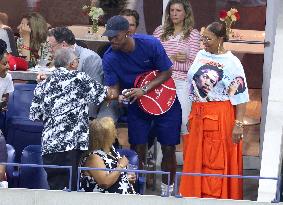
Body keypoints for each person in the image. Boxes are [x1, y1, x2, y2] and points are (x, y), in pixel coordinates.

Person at [102, 15, 182, 195]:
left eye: (115, 36)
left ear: (128, 32)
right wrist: (117, 96)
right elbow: (113, 90)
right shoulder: (109, 57)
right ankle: (137, 190)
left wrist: (144, 89)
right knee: (138, 147)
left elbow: (167, 71)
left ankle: (167, 191)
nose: (111, 40)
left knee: (169, 147)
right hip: (137, 105)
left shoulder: (150, 43)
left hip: (164, 101)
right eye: (109, 36)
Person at [179, 21, 249, 199]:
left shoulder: (232, 62)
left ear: (220, 39)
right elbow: (192, 85)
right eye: (203, 38)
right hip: (197, 114)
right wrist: (191, 113)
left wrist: (238, 124)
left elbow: (240, 96)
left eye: (208, 39)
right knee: (195, 159)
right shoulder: (201, 54)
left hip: (219, 116)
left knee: (214, 161)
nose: (204, 42)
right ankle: (194, 198)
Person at [29, 48, 110, 190]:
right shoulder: (79, 78)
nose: (78, 63)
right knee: (70, 190)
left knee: (56, 188)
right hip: (72, 144)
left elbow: (36, 115)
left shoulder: (42, 85)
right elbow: (102, 95)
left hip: (50, 145)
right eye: (77, 60)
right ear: (72, 64)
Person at [153, 0, 200, 150]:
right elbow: (153, 60)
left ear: (186, 13)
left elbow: (192, 66)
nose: (174, 13)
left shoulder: (193, 34)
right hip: (161, 80)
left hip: (182, 82)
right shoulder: (159, 32)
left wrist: (167, 60)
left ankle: (188, 160)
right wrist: (173, 59)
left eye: (178, 10)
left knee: (184, 120)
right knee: (159, 120)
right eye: (172, 10)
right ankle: (159, 158)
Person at [46, 27, 118, 121]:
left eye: (51, 46)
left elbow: (93, 97)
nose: (50, 50)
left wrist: (85, 120)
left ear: (63, 45)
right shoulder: (61, 58)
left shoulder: (90, 58)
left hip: (89, 112)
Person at [80, 117, 135, 194]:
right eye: (113, 130)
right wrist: (121, 166)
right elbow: (104, 183)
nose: (116, 132)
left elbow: (115, 176)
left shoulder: (113, 151)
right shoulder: (94, 157)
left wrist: (126, 177)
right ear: (106, 136)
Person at [0, 39, 14, 113]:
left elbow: (5, 101)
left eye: (8, 63)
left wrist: (3, 104)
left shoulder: (7, 77)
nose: (8, 66)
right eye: (4, 64)